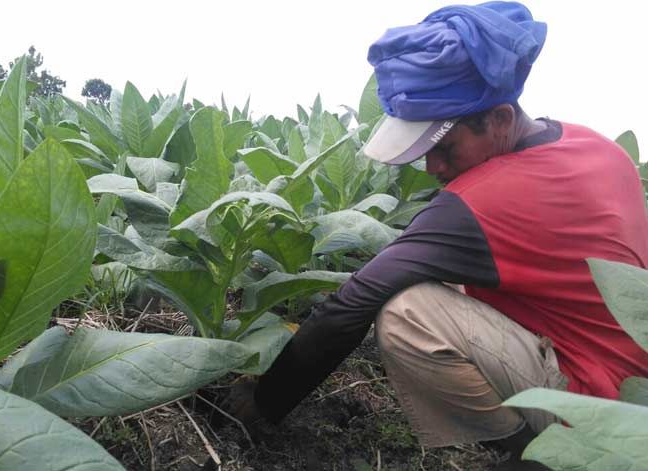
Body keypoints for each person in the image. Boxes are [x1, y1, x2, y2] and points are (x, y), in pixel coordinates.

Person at [227, 2, 648, 470]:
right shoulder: (594, 144)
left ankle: (531, 456)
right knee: (430, 274)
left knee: (407, 312)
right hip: (637, 392)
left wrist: (264, 403)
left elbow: (352, 305)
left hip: (595, 409)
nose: (434, 168)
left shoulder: (482, 200)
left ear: (501, 121)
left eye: (444, 148)